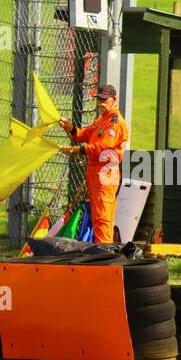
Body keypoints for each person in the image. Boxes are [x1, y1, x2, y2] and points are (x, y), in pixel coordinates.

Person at [58, 84, 130, 245]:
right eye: (99, 99)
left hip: (106, 175)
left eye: (105, 100)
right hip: (95, 174)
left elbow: (102, 148)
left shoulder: (114, 123)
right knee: (97, 215)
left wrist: (77, 150)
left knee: (103, 216)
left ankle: (104, 252)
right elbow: (84, 134)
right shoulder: (101, 120)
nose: (101, 103)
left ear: (114, 100)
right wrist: (70, 128)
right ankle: (102, 250)